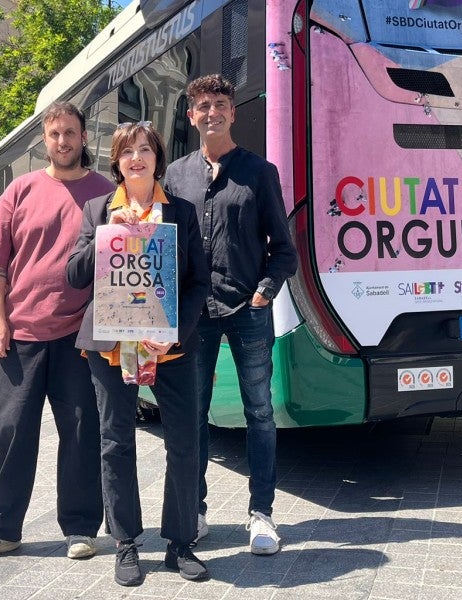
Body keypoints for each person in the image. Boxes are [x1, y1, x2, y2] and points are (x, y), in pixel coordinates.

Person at [0, 101, 115, 563]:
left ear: (83, 137)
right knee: (10, 431)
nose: (63, 141)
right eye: (55, 134)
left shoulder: (105, 194)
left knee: (82, 431)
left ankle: (82, 527)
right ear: (44, 141)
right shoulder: (20, 191)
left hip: (79, 337)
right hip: (21, 335)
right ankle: (0, 530)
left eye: (71, 133)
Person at [66, 122, 211, 586]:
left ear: (157, 158)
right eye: (127, 151)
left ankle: (181, 542)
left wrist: (175, 332)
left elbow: (198, 284)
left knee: (185, 443)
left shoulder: (182, 213)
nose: (136, 158)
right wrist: (110, 233)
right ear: (117, 161)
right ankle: (126, 543)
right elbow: (73, 274)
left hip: (169, 349)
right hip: (112, 347)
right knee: (115, 443)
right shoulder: (96, 209)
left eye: (145, 150)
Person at [164, 74, 298, 555]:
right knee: (193, 414)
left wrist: (264, 291)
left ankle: (261, 514)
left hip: (247, 309)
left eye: (221, 103)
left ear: (233, 112)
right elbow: (162, 244)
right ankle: (194, 511)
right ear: (191, 114)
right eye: (203, 105)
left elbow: (285, 250)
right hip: (195, 315)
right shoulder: (174, 175)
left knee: (260, 412)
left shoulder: (259, 173)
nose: (212, 112)